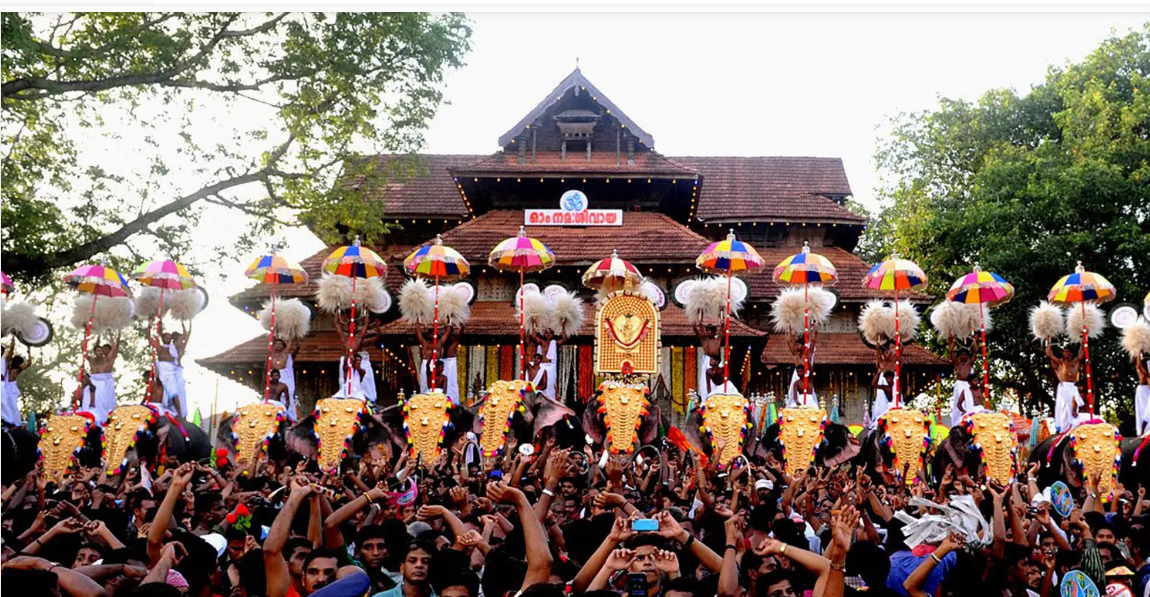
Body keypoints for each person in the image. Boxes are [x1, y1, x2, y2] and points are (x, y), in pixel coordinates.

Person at [1046, 344, 1089, 433]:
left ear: (1070, 354)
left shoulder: (1075, 362)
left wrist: (1082, 342)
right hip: (1064, 386)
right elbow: (1050, 354)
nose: (1064, 353)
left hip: (1073, 386)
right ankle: (1064, 428)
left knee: (1075, 406)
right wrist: (1048, 344)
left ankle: (1074, 425)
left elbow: (1081, 353)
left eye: (1066, 351)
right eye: (1064, 351)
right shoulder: (1060, 362)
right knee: (1064, 408)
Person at [417, 324, 461, 405]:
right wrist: (417, 322)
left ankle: (441, 401)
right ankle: (424, 403)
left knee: (440, 382)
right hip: (426, 363)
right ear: (428, 335)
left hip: (436, 363)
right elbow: (418, 334)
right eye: (431, 333)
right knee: (425, 384)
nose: (433, 335)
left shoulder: (440, 343)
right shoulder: (424, 343)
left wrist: (449, 323)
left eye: (435, 333)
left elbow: (448, 333)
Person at [270, 338, 301, 421]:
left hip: (285, 376)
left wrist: (293, 336)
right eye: (276, 344)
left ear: (283, 346)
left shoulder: (287, 355)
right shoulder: (271, 355)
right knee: (273, 395)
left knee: (287, 396)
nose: (278, 346)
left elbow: (295, 348)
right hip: (274, 376)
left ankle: (290, 417)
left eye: (280, 344)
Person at [785, 331, 818, 408]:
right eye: (796, 345)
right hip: (796, 376)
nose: (796, 347)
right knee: (792, 393)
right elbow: (789, 342)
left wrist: (814, 329)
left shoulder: (808, 354)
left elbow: (813, 341)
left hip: (807, 376)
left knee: (809, 393)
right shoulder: (796, 355)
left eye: (798, 345)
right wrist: (789, 330)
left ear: (803, 345)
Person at [947, 337, 976, 425]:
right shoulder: (957, 364)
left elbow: (975, 351)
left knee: (968, 402)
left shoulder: (969, 364)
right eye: (962, 354)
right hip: (959, 384)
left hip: (967, 384)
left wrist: (974, 342)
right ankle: (956, 423)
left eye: (966, 354)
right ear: (959, 356)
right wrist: (954, 342)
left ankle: (968, 419)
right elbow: (951, 351)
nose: (964, 356)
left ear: (968, 356)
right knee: (958, 403)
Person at [1, 345, 30, 427]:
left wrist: (29, 352)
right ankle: (8, 421)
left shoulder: (8, 364)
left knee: (11, 406)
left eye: (2, 350)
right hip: (5, 387)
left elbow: (11, 353)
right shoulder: (8, 367)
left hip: (7, 387)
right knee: (5, 404)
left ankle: (15, 423)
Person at [870, 345, 896, 428]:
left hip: (893, 385)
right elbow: (873, 384)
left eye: (888, 352)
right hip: (882, 381)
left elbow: (900, 352)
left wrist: (900, 343)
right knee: (881, 405)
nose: (887, 354)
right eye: (885, 353)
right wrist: (878, 348)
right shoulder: (881, 362)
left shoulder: (894, 361)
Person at [697, 323, 723, 400]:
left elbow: (722, 331)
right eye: (706, 330)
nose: (707, 332)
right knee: (704, 381)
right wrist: (698, 323)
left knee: (716, 381)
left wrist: (722, 323)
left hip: (716, 361)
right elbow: (699, 332)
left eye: (709, 330)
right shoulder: (705, 340)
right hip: (706, 360)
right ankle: (706, 398)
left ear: (714, 332)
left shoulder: (717, 340)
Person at [1134, 355, 1149, 437]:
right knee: (1144, 413)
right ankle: (1142, 432)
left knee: (1146, 414)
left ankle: (1143, 432)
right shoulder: (1146, 374)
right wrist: (1139, 351)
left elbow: (1139, 366)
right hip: (1143, 391)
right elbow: (1139, 366)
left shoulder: (1147, 375)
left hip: (1146, 392)